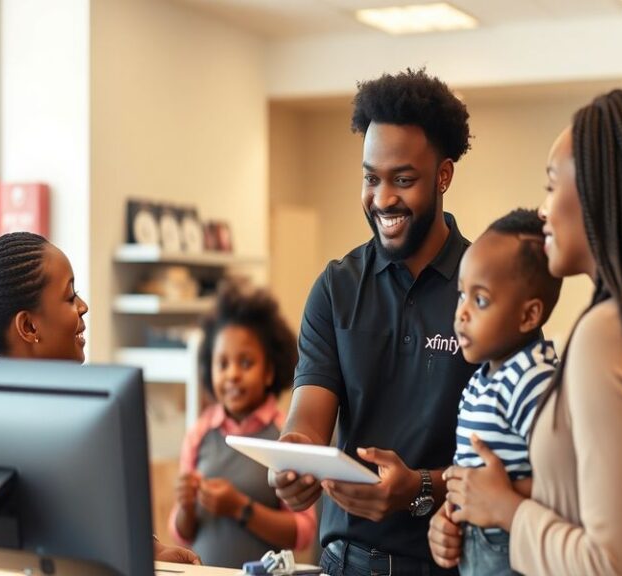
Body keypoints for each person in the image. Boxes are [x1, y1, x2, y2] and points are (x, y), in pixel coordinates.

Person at [428, 89, 622, 575]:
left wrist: (504, 509)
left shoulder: (605, 336)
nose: (543, 211)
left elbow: (610, 564)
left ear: (596, 193)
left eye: (551, 186)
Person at [273, 68, 474, 576]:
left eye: (403, 180)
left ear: (444, 175)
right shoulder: (336, 289)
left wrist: (419, 489)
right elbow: (307, 422)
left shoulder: (486, 288)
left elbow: (516, 468)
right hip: (344, 563)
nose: (383, 199)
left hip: (451, 564)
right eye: (371, 178)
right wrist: (295, 460)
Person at [0, 231, 201, 565]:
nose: (83, 307)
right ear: (29, 326)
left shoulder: (79, 418)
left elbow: (86, 512)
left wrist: (152, 549)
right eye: (70, 296)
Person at [431, 208, 561, 575]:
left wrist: (503, 497)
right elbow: (470, 475)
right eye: (461, 296)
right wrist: (448, 517)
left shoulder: (534, 380)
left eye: (481, 300)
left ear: (528, 316)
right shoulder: (480, 381)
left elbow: (566, 489)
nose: (462, 314)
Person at [168, 283, 316, 568]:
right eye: (222, 364)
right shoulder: (199, 433)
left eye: (245, 363)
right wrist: (186, 506)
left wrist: (240, 508)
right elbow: (182, 533)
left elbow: (303, 532)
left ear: (269, 371)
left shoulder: (285, 434)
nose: (232, 375)